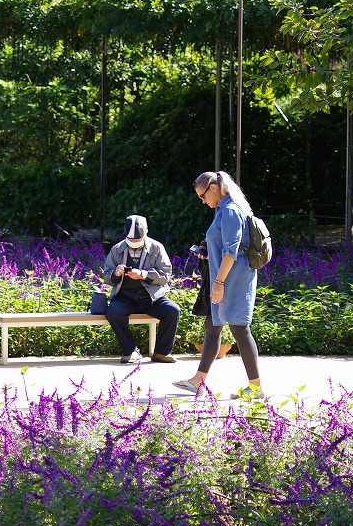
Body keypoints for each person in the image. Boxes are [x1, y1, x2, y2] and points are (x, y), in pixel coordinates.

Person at [174, 170, 263, 399]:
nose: (202, 201)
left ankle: (256, 388)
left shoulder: (232, 211)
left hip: (233, 279)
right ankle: (198, 380)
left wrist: (219, 283)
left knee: (240, 329)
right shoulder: (223, 211)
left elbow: (231, 253)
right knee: (212, 325)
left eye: (202, 196)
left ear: (213, 188)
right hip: (222, 277)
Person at [100, 214, 180, 363]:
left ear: (146, 233)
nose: (134, 242)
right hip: (125, 297)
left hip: (151, 297)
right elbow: (106, 276)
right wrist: (115, 275)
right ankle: (131, 351)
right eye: (130, 240)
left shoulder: (157, 248)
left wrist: (143, 275)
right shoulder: (116, 249)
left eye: (137, 239)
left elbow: (165, 275)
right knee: (113, 312)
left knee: (173, 310)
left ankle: (162, 353)